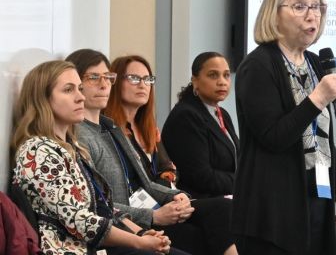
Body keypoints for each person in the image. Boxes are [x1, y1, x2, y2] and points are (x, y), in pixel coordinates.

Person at [232, 0, 336, 255]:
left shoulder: (314, 63)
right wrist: (318, 98)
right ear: (273, 14)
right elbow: (274, 137)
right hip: (271, 212)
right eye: (300, 6)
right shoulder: (257, 67)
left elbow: (321, 139)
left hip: (315, 199)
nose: (312, 15)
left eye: (316, 7)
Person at [68, 49, 237, 255]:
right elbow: (99, 204)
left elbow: (149, 181)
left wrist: (179, 196)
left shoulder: (112, 126)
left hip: (153, 207)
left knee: (224, 209)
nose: (104, 84)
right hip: (128, 222)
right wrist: (152, 217)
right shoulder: (81, 135)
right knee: (199, 235)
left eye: (107, 77)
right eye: (94, 77)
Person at [10, 60, 176, 255]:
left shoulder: (73, 147)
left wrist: (140, 233)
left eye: (80, 89)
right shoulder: (38, 151)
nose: (80, 97)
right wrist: (139, 243)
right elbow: (82, 221)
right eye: (68, 90)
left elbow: (101, 207)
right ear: (43, 99)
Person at [162, 52, 239, 198]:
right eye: (213, 75)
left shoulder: (222, 114)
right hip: (196, 201)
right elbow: (201, 177)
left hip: (226, 196)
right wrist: (244, 181)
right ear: (195, 81)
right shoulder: (186, 116)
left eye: (226, 75)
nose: (222, 81)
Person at [104, 55, 176, 187]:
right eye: (134, 78)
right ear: (116, 82)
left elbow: (167, 167)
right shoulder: (106, 128)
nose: (143, 85)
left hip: (161, 198)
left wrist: (167, 178)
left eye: (148, 79)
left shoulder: (149, 127)